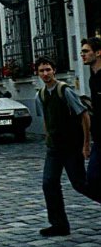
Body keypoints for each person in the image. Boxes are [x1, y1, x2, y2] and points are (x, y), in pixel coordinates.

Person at [35, 55, 91, 236]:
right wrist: (48, 137)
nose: (45, 74)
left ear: (54, 71)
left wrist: (85, 144)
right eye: (42, 71)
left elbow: (84, 115)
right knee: (49, 183)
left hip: (71, 146)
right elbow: (46, 118)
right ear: (37, 73)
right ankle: (59, 224)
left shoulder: (64, 91)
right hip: (54, 147)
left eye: (48, 70)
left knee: (80, 184)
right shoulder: (41, 95)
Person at [81, 36, 101, 201]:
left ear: (99, 53)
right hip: (99, 138)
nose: (83, 55)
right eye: (82, 52)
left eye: (86, 51)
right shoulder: (92, 78)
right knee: (92, 181)